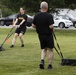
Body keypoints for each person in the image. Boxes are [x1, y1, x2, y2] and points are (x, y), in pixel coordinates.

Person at [32, 1, 54, 70]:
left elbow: (33, 25)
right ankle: (50, 65)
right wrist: (53, 29)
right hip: (48, 35)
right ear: (47, 8)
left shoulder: (36, 15)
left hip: (40, 35)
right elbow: (51, 26)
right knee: (50, 49)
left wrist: (39, 27)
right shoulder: (49, 16)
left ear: (40, 7)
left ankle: (42, 60)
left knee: (44, 49)